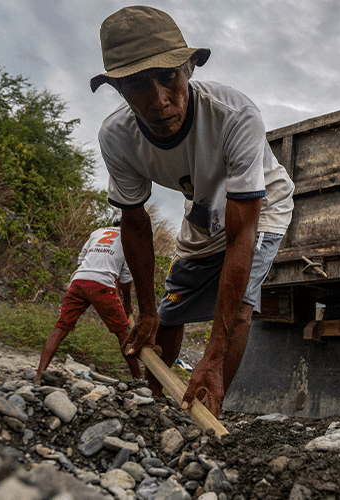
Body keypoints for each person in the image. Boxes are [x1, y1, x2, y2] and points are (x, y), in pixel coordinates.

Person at [90, 6, 294, 416]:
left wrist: (213, 355)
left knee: (237, 310)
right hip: (202, 209)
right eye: (136, 86)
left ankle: (209, 405)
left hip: (260, 208)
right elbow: (134, 223)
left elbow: (241, 236)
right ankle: (156, 407)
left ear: (189, 70)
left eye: (169, 78)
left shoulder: (235, 116)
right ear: (118, 90)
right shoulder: (118, 138)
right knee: (167, 315)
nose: (159, 101)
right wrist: (145, 309)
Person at [35, 221, 141, 381]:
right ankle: (138, 378)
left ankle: (38, 374)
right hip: (102, 285)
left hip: (79, 280)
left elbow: (82, 259)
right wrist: (127, 304)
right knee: (123, 332)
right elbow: (126, 279)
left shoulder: (97, 232)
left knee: (60, 328)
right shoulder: (129, 239)